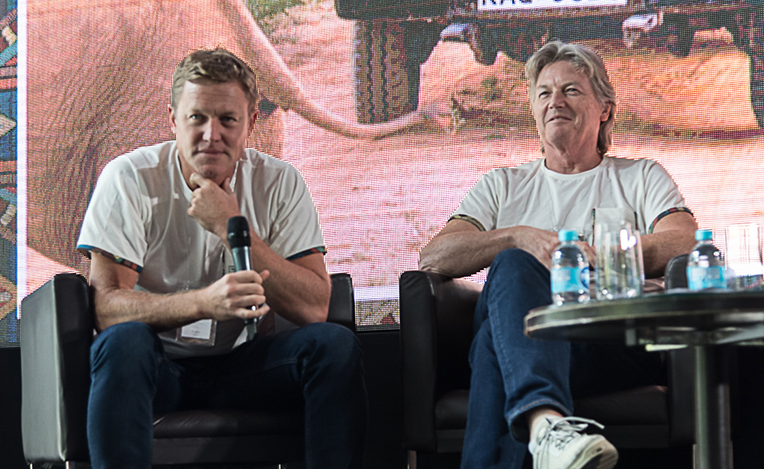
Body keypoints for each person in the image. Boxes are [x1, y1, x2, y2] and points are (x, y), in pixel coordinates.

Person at [76, 48, 367, 469]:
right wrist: (203, 303)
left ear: (251, 123)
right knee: (123, 342)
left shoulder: (281, 181)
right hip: (157, 368)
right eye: (197, 117)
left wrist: (232, 226)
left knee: (333, 345)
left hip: (244, 367)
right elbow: (106, 308)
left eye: (228, 119)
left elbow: (314, 307)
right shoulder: (129, 177)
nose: (211, 135)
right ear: (172, 119)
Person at [419, 41, 697, 469]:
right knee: (514, 263)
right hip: (536, 340)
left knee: (496, 344)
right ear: (533, 108)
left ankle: (544, 424)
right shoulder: (502, 185)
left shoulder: (642, 176)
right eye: (544, 92)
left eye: (571, 90)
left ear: (605, 109)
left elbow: (684, 242)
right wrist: (516, 238)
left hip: (607, 344)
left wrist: (599, 254)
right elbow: (435, 256)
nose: (555, 102)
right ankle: (547, 425)